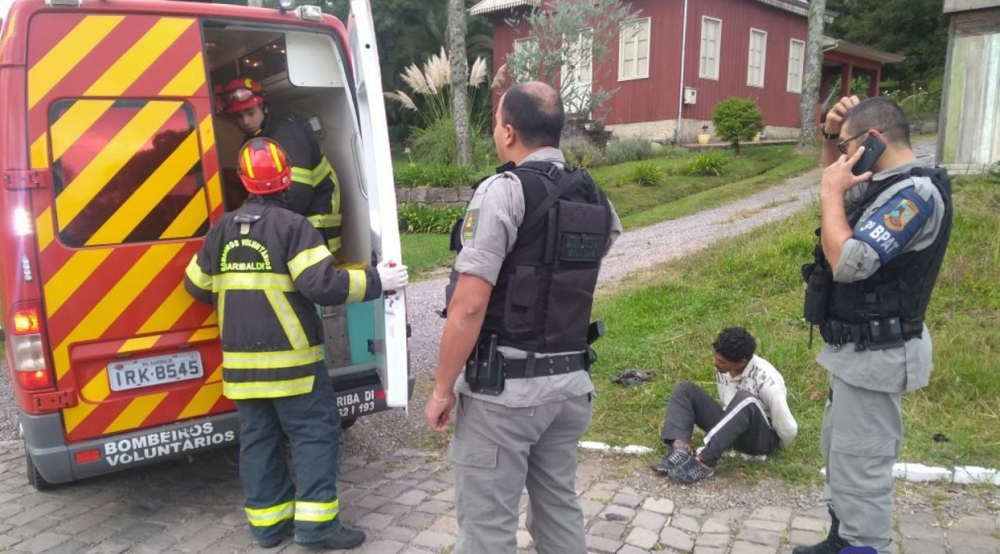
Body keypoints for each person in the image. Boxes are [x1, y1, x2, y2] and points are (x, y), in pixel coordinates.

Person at [424, 81, 622, 554]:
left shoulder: (503, 191)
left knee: (487, 528)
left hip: (505, 395)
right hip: (570, 387)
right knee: (558, 509)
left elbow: (469, 304)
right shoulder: (595, 198)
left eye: (495, 122)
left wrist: (440, 389)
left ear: (508, 132)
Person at [183, 138, 408, 551]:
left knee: (258, 441)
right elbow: (323, 285)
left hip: (242, 371)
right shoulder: (293, 228)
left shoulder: (221, 230)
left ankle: (268, 528)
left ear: (243, 180)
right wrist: (379, 280)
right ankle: (318, 527)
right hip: (293, 369)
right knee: (314, 437)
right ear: (286, 179)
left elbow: (196, 285)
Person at [795, 96, 953, 554]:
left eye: (846, 147)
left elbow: (849, 260)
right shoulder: (886, 183)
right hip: (856, 352)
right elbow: (840, 194)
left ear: (872, 142)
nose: (842, 158)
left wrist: (829, 192)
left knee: (861, 468)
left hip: (879, 353)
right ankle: (839, 539)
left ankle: (863, 546)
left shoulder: (913, 195)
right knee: (841, 457)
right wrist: (829, 134)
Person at [653, 327, 798, 484]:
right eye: (715, 357)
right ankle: (680, 450)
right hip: (731, 427)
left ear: (741, 362)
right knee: (684, 389)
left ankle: (704, 461)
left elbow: (789, 428)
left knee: (745, 399)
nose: (715, 363)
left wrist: (771, 449)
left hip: (758, 439)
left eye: (721, 361)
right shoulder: (724, 369)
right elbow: (728, 405)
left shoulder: (768, 380)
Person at [221, 78, 343, 252]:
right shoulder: (255, 139)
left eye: (250, 113)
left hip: (315, 218)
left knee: (312, 275)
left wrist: (263, 227)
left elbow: (297, 194)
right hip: (293, 219)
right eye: (239, 116)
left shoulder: (286, 135)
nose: (245, 121)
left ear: (265, 108)